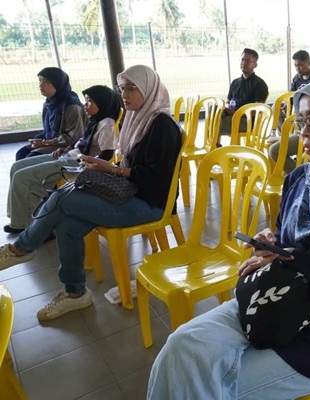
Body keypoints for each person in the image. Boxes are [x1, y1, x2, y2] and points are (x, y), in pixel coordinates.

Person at [147, 75, 310, 399]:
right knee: (180, 347)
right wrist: (271, 246)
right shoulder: (301, 178)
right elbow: (291, 245)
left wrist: (295, 257)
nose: (304, 132)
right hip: (274, 301)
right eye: (301, 121)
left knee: (203, 384)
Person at [0, 65, 182, 321]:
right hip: (130, 191)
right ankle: (75, 293)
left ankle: (21, 248)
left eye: (132, 88)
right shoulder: (136, 117)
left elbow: (156, 178)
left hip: (150, 203)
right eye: (122, 88)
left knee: (61, 198)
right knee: (68, 224)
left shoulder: (162, 124)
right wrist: (106, 167)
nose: (124, 95)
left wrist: (112, 169)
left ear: (149, 89)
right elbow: (131, 164)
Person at [5, 85, 122, 234]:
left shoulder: (107, 125)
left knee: (23, 177)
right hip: (68, 156)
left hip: (75, 164)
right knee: (16, 167)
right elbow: (83, 141)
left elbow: (107, 153)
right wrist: (66, 148)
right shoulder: (95, 120)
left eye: (90, 101)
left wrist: (87, 165)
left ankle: (35, 229)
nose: (85, 104)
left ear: (102, 102)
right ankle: (19, 218)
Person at [16, 67, 86, 161]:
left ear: (58, 84)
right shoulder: (49, 103)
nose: (41, 85)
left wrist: (44, 143)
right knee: (21, 153)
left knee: (29, 159)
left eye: (46, 82)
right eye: (40, 81)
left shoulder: (72, 106)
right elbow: (48, 131)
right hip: (52, 142)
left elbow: (73, 138)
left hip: (66, 147)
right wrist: (38, 141)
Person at [220, 48, 269, 136]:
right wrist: (227, 108)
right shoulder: (235, 82)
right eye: (242, 60)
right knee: (213, 113)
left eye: (248, 61)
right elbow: (228, 102)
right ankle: (215, 143)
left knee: (216, 123)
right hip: (232, 116)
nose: (244, 63)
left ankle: (215, 143)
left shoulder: (259, 84)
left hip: (247, 121)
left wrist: (236, 114)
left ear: (255, 65)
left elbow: (257, 110)